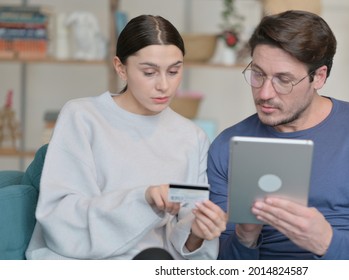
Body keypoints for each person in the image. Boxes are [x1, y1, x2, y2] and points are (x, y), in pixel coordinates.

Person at [207, 10, 349, 260]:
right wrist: (245, 237)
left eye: (283, 80)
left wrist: (327, 241)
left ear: (319, 77)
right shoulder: (227, 146)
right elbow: (218, 263)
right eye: (258, 74)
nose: (264, 93)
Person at [26, 14, 227, 260]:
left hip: (153, 262)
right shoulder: (82, 117)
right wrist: (143, 199)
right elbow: (61, 218)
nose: (164, 85)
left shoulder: (192, 137)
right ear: (121, 68)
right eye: (149, 72)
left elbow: (186, 240)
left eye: (174, 71)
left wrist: (197, 232)